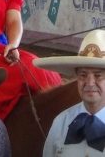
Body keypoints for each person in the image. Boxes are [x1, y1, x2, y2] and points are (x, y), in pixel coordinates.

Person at [34, 29, 105, 157]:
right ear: (76, 78)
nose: (89, 83)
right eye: (83, 75)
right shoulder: (61, 122)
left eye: (98, 76)